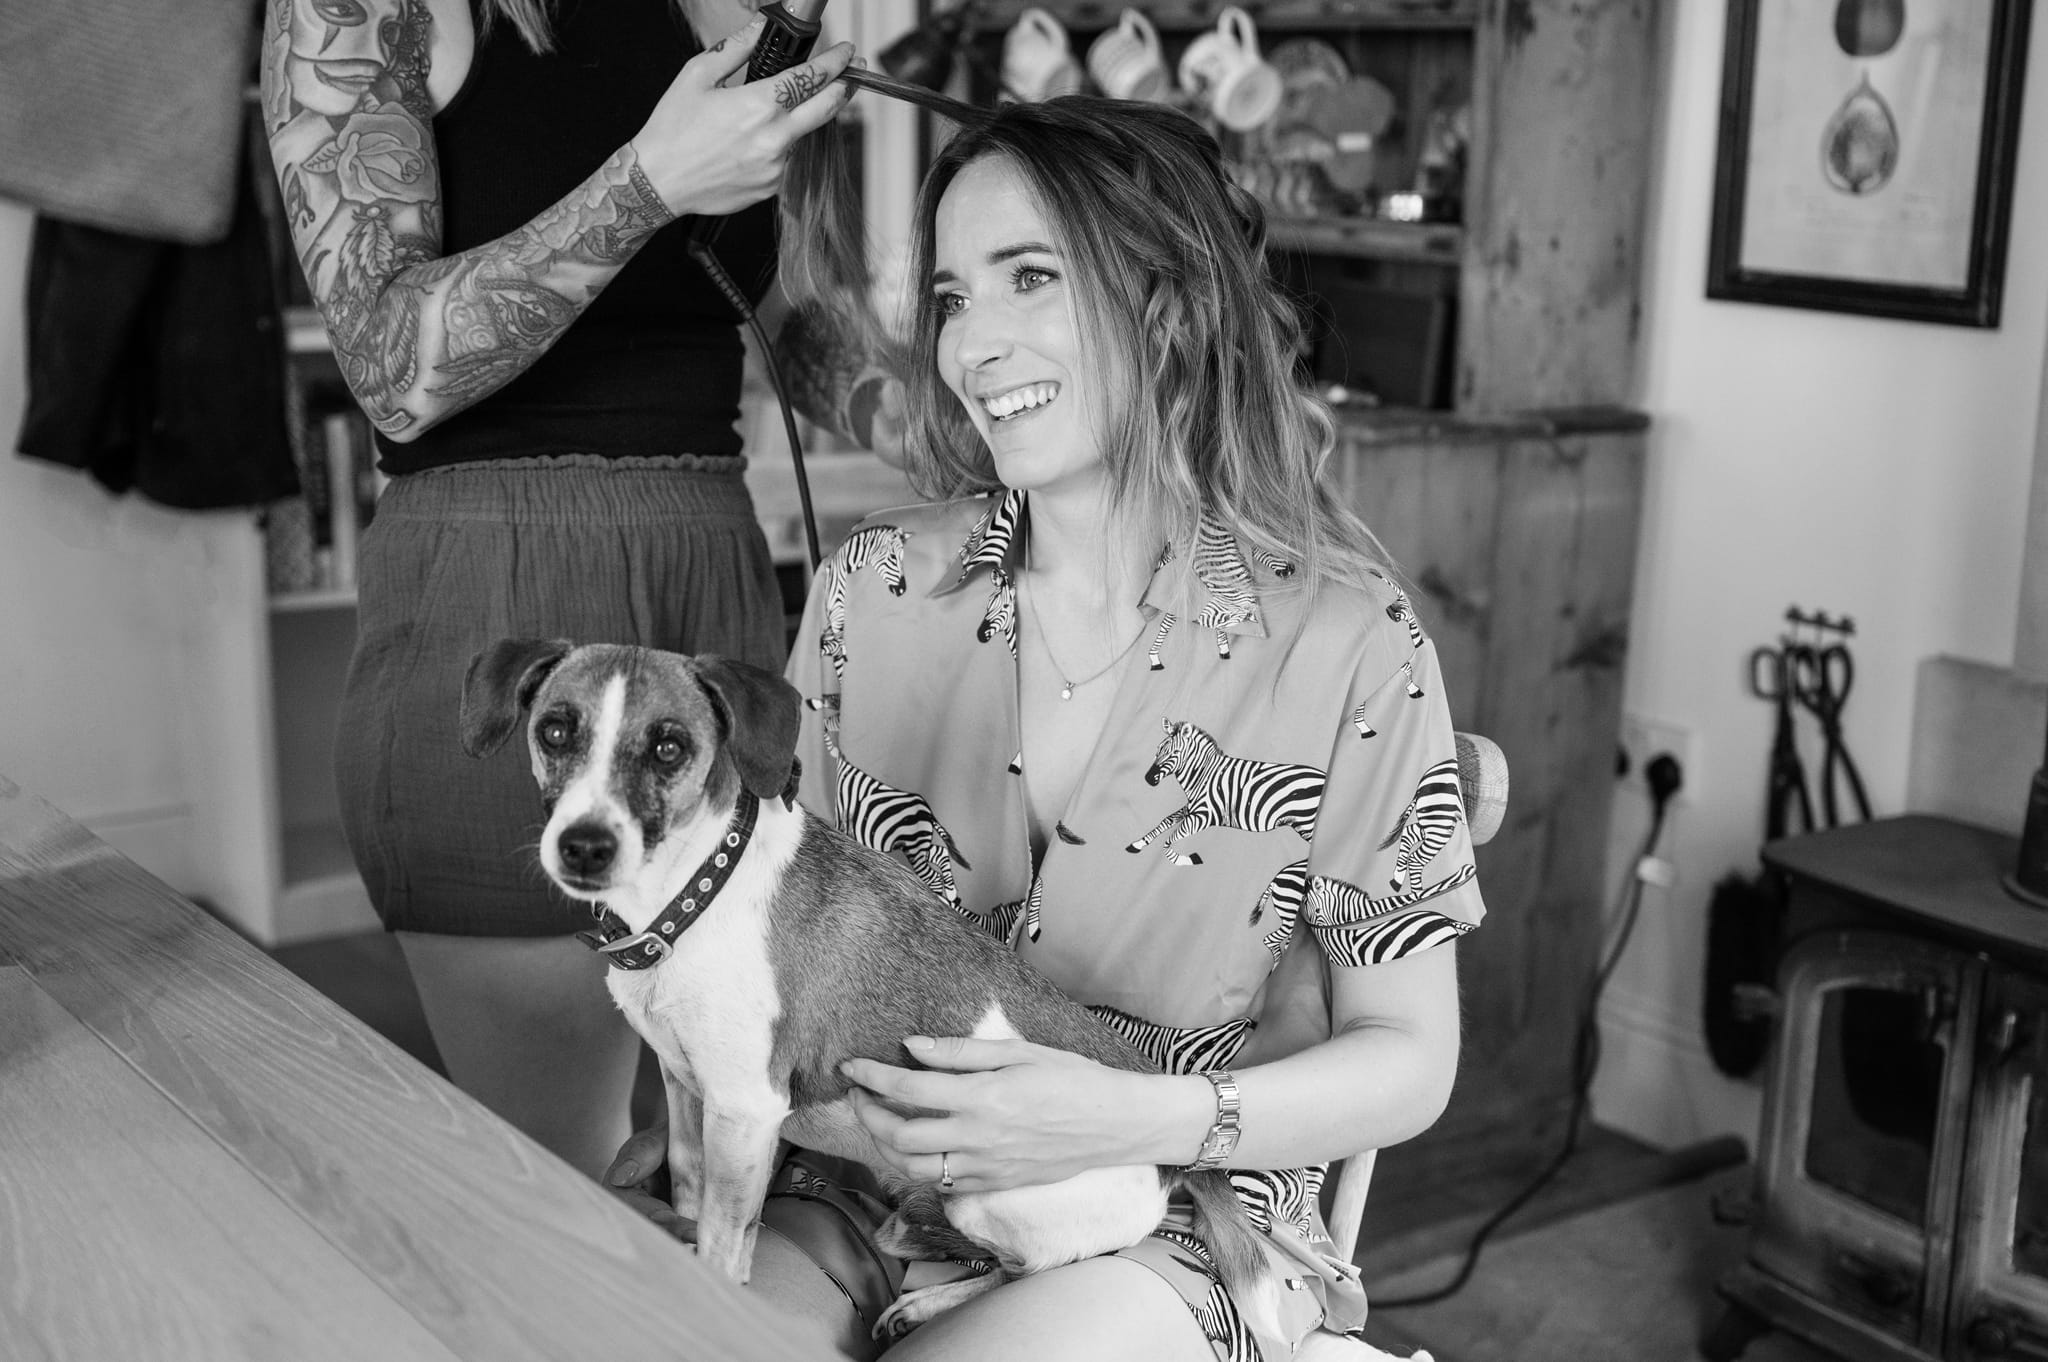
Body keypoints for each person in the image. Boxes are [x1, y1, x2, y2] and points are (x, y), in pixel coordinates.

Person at [608, 92, 1483, 1362]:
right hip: (846, 1178)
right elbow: (745, 912)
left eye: (1030, 277)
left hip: (1169, 1210)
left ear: (1171, 300)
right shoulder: (870, 594)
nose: (972, 345)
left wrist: (1124, 1119)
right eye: (955, 297)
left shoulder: (1344, 644)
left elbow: (1408, 1061)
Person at [258, 0, 897, 1181]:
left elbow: (777, 296)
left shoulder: (731, 10)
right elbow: (391, 368)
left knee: (735, 1155)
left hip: (712, 587)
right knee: (565, 1185)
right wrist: (649, 178)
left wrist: (931, 420)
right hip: (498, 591)